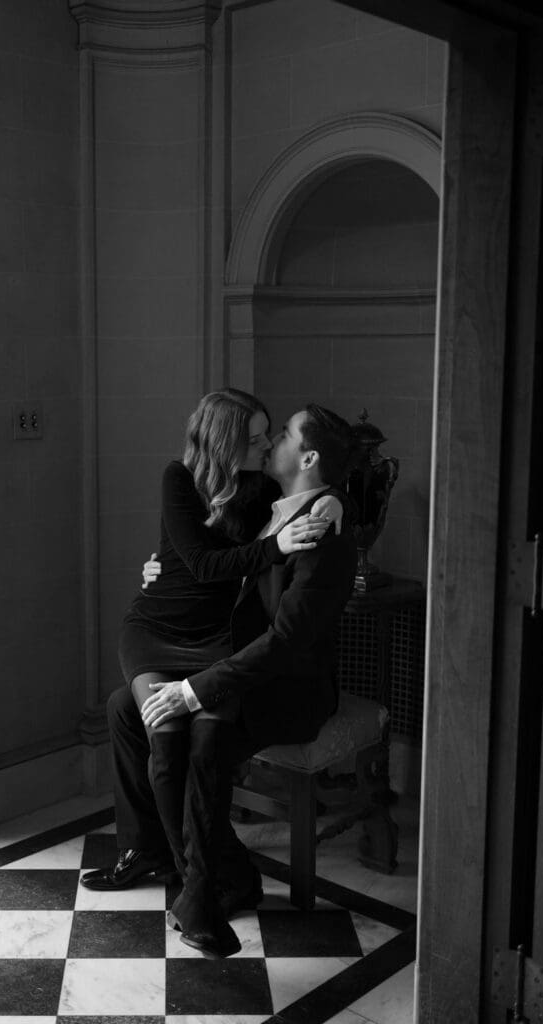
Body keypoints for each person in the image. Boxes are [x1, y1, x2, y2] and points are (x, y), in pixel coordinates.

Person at [81, 391, 344, 933]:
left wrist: (337, 503)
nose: (267, 444)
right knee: (124, 711)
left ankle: (212, 881)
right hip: (173, 635)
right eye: (255, 437)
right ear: (226, 441)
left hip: (261, 672)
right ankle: (155, 852)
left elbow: (336, 495)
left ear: (306, 458)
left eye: (276, 436)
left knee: (180, 735)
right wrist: (162, 565)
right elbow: (199, 558)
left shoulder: (307, 510)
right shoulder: (225, 489)